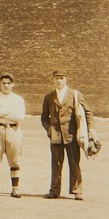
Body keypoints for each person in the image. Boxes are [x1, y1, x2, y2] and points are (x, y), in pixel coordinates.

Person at [40, 70, 96, 200]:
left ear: (66, 79)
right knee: (56, 164)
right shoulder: (49, 97)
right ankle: (54, 191)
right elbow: (44, 117)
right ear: (52, 80)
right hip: (55, 136)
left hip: (71, 135)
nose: (59, 81)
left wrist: (91, 130)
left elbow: (88, 113)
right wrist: (49, 130)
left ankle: (77, 190)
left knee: (74, 163)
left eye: (61, 78)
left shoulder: (75, 95)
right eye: (56, 78)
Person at [0, 72, 26, 198]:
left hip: (13, 129)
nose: (6, 85)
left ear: (13, 84)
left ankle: (15, 188)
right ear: (0, 84)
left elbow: (19, 116)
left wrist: (1, 112)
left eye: (8, 83)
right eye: (3, 83)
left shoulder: (18, 99)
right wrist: (10, 112)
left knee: (14, 160)